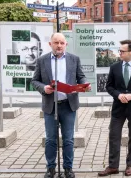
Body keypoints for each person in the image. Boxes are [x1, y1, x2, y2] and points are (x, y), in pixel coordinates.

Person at [31, 33, 91, 178]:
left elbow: (80, 76)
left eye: (62, 43)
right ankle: (51, 168)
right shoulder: (42, 60)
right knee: (51, 139)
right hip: (50, 106)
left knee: (68, 139)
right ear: (50, 44)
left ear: (66, 45)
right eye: (56, 42)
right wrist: (44, 88)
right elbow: (35, 81)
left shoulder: (74, 59)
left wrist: (84, 84)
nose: (59, 45)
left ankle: (68, 168)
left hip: (68, 105)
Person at [98, 40, 131, 177]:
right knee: (114, 136)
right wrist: (118, 94)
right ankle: (113, 166)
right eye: (119, 51)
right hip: (118, 108)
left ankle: (129, 165)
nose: (119, 53)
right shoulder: (114, 67)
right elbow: (109, 86)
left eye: (122, 51)